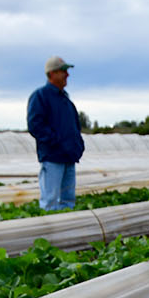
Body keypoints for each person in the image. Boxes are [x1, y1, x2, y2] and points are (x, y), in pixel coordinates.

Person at [26, 55, 85, 211]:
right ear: (52, 74)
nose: (67, 75)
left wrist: (77, 145)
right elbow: (35, 125)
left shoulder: (65, 99)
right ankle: (48, 234)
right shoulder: (41, 96)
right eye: (63, 71)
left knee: (68, 201)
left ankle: (66, 232)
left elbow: (74, 126)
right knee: (50, 201)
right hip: (53, 157)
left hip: (69, 156)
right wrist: (56, 142)